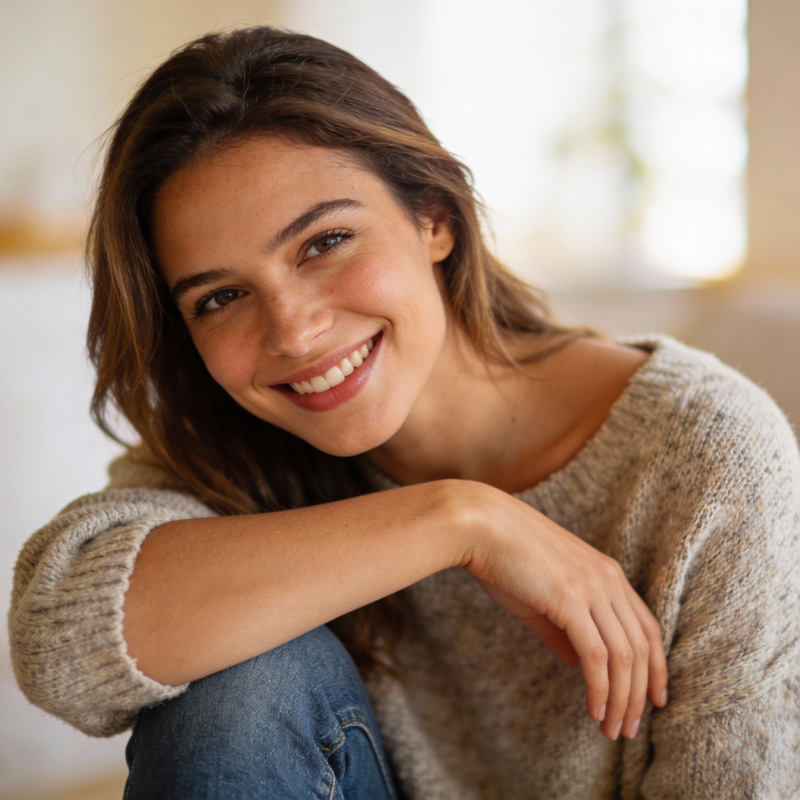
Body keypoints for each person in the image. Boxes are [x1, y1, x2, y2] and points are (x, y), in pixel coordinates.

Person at [8, 25, 800, 799]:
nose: (291, 330)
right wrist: (461, 524)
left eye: (325, 242)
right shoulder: (237, 441)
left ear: (435, 219)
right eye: (220, 297)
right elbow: (58, 644)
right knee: (241, 684)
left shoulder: (708, 454)